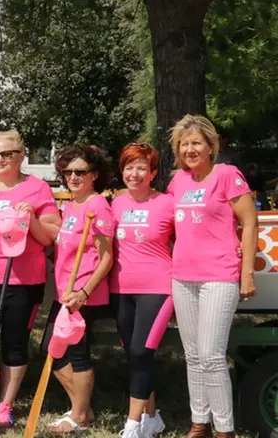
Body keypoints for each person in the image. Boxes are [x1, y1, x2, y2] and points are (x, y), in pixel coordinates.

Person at [167, 115, 257, 438]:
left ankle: (224, 429)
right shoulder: (177, 181)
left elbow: (249, 223)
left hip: (219, 275)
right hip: (183, 277)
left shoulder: (227, 176)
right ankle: (199, 423)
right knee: (192, 355)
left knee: (211, 355)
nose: (190, 149)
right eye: (184, 144)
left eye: (196, 143)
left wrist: (246, 273)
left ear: (210, 145)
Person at [0, 131, 61, 427]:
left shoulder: (37, 188)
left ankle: (4, 406)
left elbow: (52, 234)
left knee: (14, 342)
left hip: (23, 280)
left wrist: (32, 218)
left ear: (22, 155)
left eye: (6, 154)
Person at [42, 143, 114, 434]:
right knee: (53, 349)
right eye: (68, 171)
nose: (73, 177)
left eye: (80, 172)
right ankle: (82, 410)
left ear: (94, 175)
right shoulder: (72, 205)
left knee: (76, 354)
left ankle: (80, 416)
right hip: (65, 292)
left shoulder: (97, 205)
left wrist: (84, 292)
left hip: (84, 295)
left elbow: (107, 257)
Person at [110, 143, 174, 438]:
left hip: (158, 288)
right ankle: (152, 416)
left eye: (140, 168)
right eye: (128, 167)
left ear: (152, 173)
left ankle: (132, 425)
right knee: (132, 354)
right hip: (121, 288)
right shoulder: (116, 204)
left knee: (141, 352)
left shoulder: (167, 203)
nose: (133, 174)